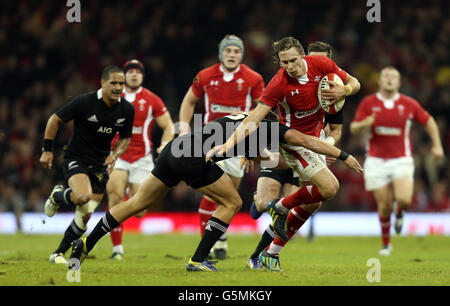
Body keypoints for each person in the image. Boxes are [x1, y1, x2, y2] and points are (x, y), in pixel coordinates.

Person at [68, 113, 362, 272]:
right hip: (195, 158)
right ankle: (198, 260)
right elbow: (308, 142)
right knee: (232, 201)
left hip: (175, 150)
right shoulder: (275, 127)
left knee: (135, 203)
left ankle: (86, 243)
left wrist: (253, 156)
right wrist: (344, 154)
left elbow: (250, 147)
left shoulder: (242, 119)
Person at [206, 36, 361, 271]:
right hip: (293, 142)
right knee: (328, 188)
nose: (289, 66)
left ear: (302, 55)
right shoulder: (278, 83)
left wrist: (345, 90)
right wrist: (228, 146)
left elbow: (355, 83)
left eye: (293, 60)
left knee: (313, 203)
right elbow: (254, 118)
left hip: (315, 141)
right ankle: (275, 205)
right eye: (284, 62)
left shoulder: (324, 68)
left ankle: (270, 252)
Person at [246, 41, 344, 269]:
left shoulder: (332, 92)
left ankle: (263, 254)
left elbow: (336, 129)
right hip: (285, 146)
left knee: (311, 203)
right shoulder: (284, 83)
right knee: (263, 204)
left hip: (311, 149)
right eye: (312, 57)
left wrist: (327, 144)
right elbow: (259, 115)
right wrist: (251, 150)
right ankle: (264, 205)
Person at [178, 34, 264, 259]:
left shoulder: (253, 78)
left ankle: (220, 237)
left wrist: (253, 146)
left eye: (236, 51)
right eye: (228, 51)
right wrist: (184, 129)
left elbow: (262, 111)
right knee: (212, 194)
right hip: (210, 140)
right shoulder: (205, 76)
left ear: (241, 54)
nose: (232, 55)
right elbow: (188, 101)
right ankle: (205, 250)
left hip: (238, 142)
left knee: (229, 196)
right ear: (221, 53)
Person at [39, 66, 135, 264]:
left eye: (121, 84)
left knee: (86, 215)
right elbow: (54, 119)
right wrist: (47, 150)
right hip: (77, 158)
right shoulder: (85, 102)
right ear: (103, 82)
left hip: (100, 164)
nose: (118, 87)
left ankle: (57, 253)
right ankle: (58, 195)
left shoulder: (127, 109)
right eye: (114, 83)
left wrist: (115, 154)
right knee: (83, 197)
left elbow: (125, 139)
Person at [350, 66, 444, 256]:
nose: (390, 79)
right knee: (384, 206)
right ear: (381, 81)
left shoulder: (408, 104)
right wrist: (364, 124)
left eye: (394, 77)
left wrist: (437, 145)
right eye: (386, 76)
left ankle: (399, 211)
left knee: (404, 199)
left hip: (401, 158)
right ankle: (386, 244)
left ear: (399, 83)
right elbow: (353, 128)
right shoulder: (369, 103)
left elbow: (429, 121)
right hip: (376, 160)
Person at [106, 60, 174, 261]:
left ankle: (130, 191)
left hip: (143, 157)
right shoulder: (113, 97)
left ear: (143, 76)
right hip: (118, 155)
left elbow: (169, 125)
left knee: (141, 211)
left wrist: (165, 144)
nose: (134, 75)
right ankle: (117, 249)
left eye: (138, 72)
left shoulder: (152, 99)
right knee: (115, 196)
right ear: (124, 76)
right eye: (130, 72)